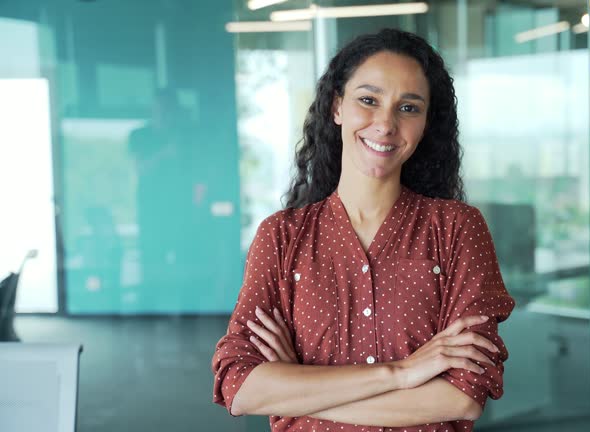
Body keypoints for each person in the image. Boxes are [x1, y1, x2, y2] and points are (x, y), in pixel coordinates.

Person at [211, 28, 515, 431]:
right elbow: (240, 387)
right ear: (337, 106)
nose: (385, 124)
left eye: (409, 108)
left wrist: (297, 391)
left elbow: (462, 397)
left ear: (425, 124)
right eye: (368, 100)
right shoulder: (281, 237)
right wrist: (402, 373)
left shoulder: (457, 229)